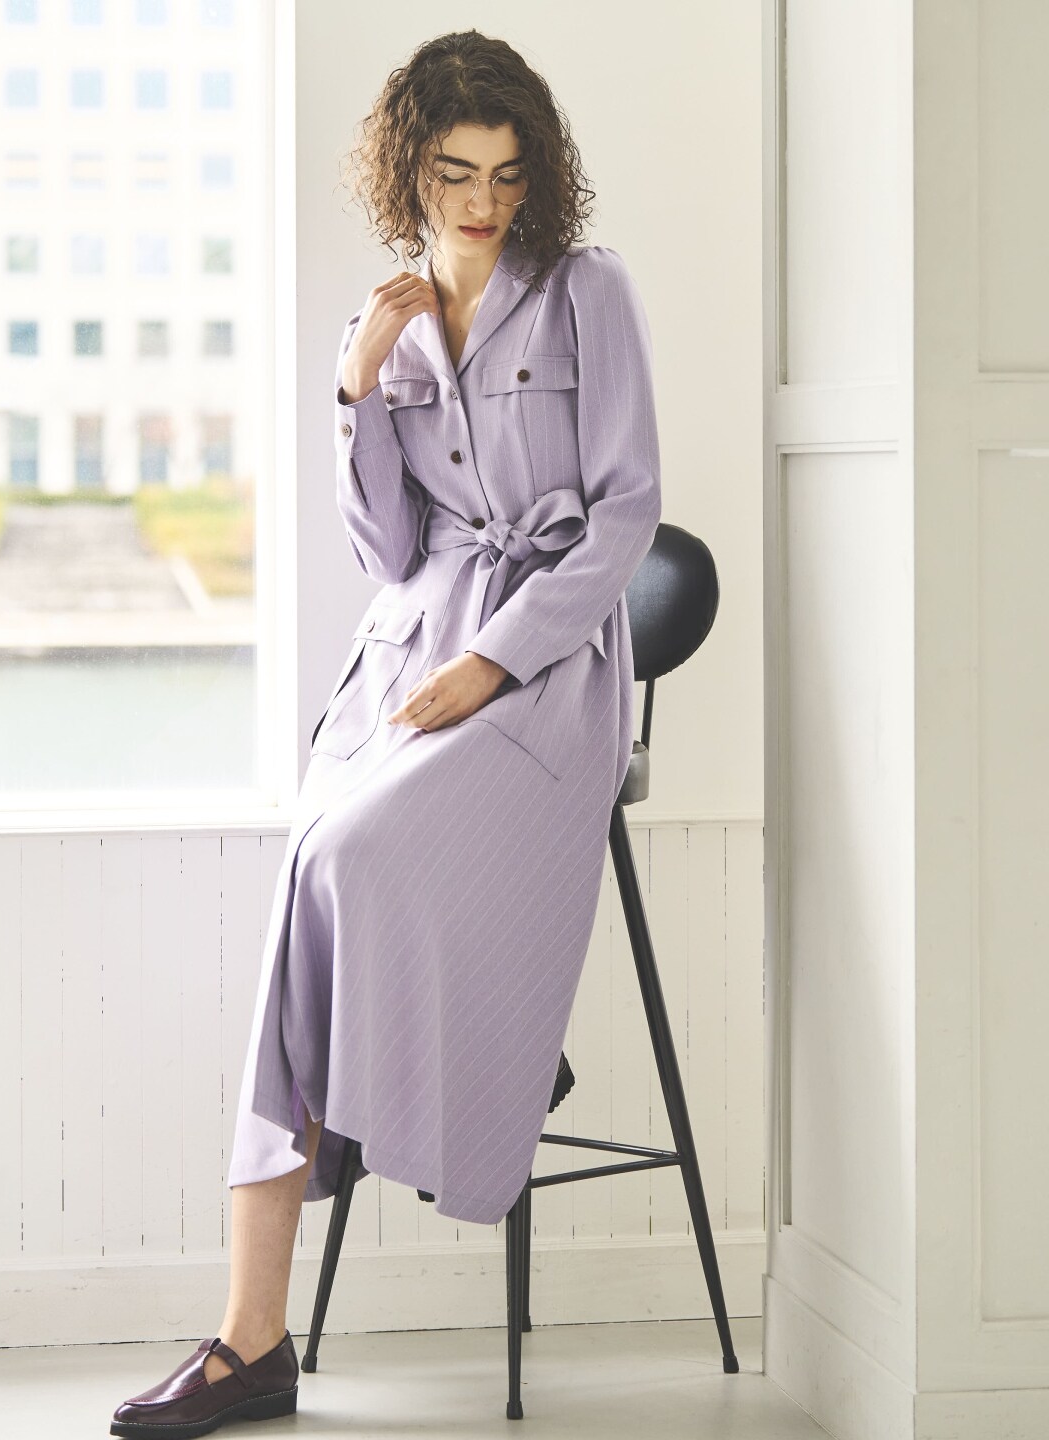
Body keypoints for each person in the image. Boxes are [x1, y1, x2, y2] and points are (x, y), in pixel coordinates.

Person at [110, 27, 661, 1438]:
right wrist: (357, 384)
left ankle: (447, 1041)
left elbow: (627, 515)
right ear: (410, 172)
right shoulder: (390, 322)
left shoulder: (587, 294)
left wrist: (495, 662)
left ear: (537, 178)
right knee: (311, 877)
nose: (483, 201)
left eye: (507, 175)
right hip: (406, 665)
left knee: (342, 858)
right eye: (455, 173)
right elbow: (386, 549)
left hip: (546, 677)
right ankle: (251, 1335)